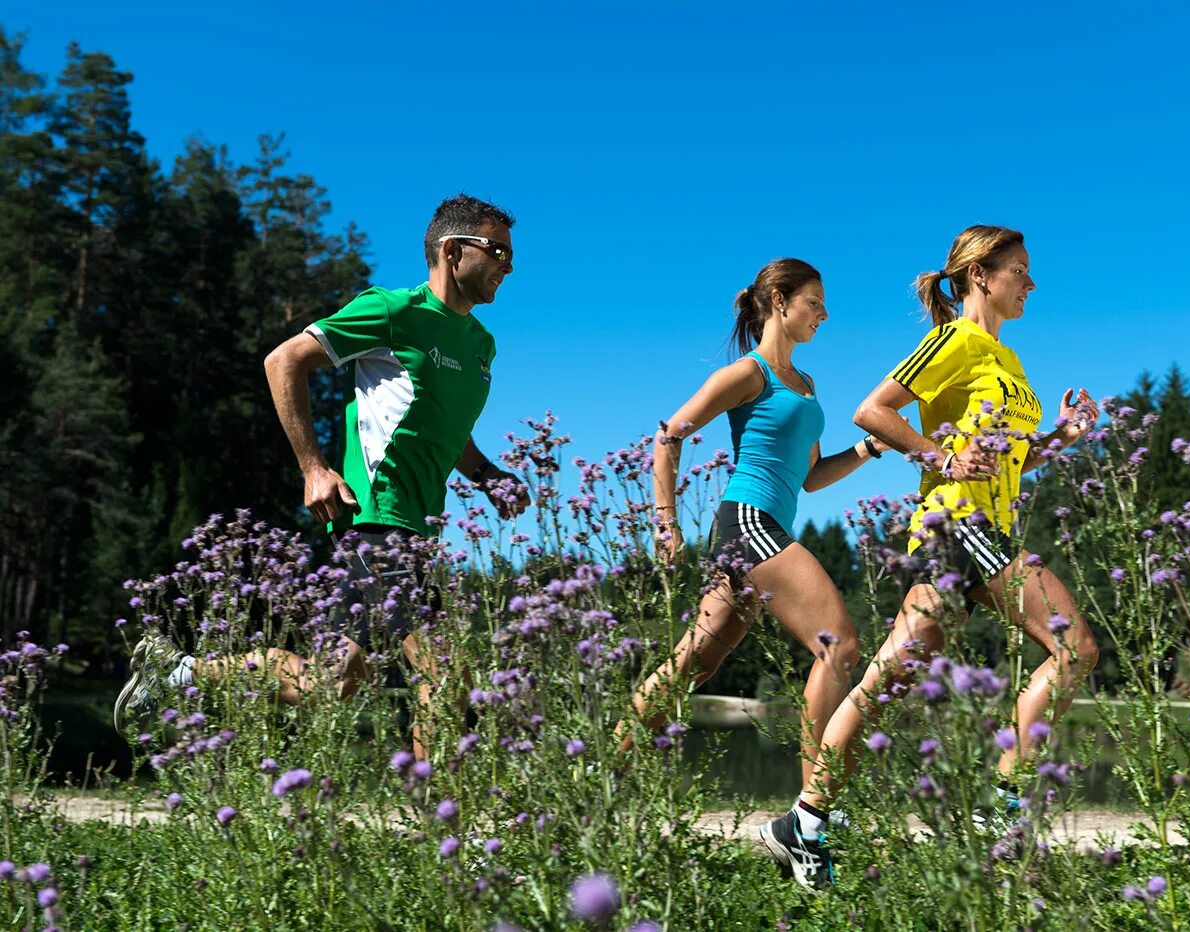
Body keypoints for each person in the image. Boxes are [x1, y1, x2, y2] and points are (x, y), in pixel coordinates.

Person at [114, 194, 529, 757]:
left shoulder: (481, 344)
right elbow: (282, 361)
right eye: (498, 251)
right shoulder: (392, 310)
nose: (508, 265)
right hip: (377, 521)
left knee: (329, 685)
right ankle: (444, 832)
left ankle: (181, 672)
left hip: (421, 532)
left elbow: (449, 431)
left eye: (510, 254)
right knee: (445, 674)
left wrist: (488, 476)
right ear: (453, 251)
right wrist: (314, 467)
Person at [759, 225, 1100, 888]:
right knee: (1074, 648)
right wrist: (940, 457)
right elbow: (873, 411)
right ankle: (1009, 812)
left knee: (888, 680)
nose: (1031, 284)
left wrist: (1062, 435)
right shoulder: (955, 341)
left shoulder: (1011, 365)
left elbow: (1014, 461)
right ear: (980, 275)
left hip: (981, 528)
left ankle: (804, 820)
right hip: (959, 526)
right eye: (1020, 271)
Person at [623, 258, 889, 830]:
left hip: (761, 529)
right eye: (814, 302)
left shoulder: (805, 385)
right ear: (779, 300)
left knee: (692, 664)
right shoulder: (750, 374)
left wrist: (867, 451)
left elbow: (811, 478)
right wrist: (665, 523)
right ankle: (811, 816)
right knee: (838, 644)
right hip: (746, 521)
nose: (824, 314)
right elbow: (668, 436)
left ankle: (594, 774)